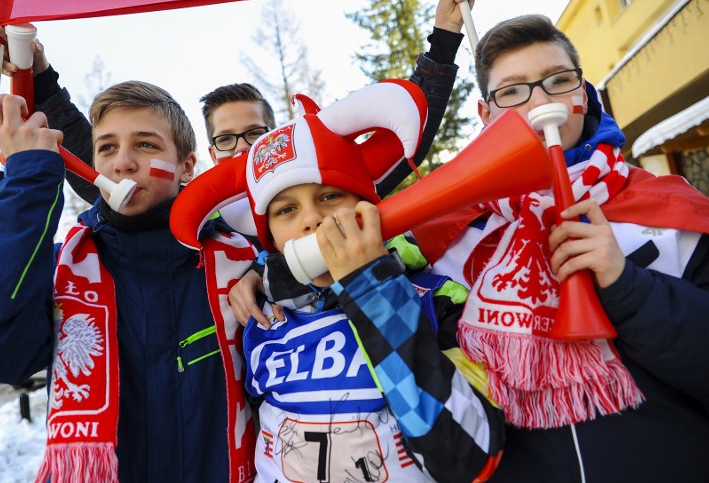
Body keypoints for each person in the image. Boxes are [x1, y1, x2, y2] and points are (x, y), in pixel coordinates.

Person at [0, 0, 476, 329]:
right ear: (205, 154)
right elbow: (107, 173)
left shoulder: (320, 186)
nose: (242, 146)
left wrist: (444, 42)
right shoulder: (198, 217)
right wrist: (40, 78)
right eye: (226, 137)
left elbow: (404, 132)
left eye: (255, 133)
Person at [410, 14, 709, 482]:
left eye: (558, 81)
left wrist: (629, 287)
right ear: (487, 115)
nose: (540, 100)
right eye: (513, 91)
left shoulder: (668, 207)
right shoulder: (451, 236)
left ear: (582, 93)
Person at [171, 81, 505, 482]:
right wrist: (265, 276)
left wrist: (373, 288)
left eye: (329, 196)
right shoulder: (259, 318)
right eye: (287, 209)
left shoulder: (437, 299)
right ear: (271, 238)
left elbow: (467, 460)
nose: (311, 220)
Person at [0, 82, 248, 481]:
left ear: (187, 166)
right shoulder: (59, 269)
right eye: (106, 148)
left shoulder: (242, 263)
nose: (122, 163)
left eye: (146, 145)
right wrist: (27, 181)